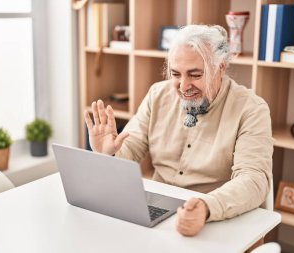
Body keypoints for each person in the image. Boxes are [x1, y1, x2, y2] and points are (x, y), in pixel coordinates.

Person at [84, 24, 273, 236]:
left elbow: (254, 180)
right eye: (175, 74)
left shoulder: (252, 109)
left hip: (214, 218)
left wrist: (206, 207)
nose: (183, 86)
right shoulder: (158, 94)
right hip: (156, 213)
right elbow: (131, 146)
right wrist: (108, 153)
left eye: (195, 75)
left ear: (220, 67)